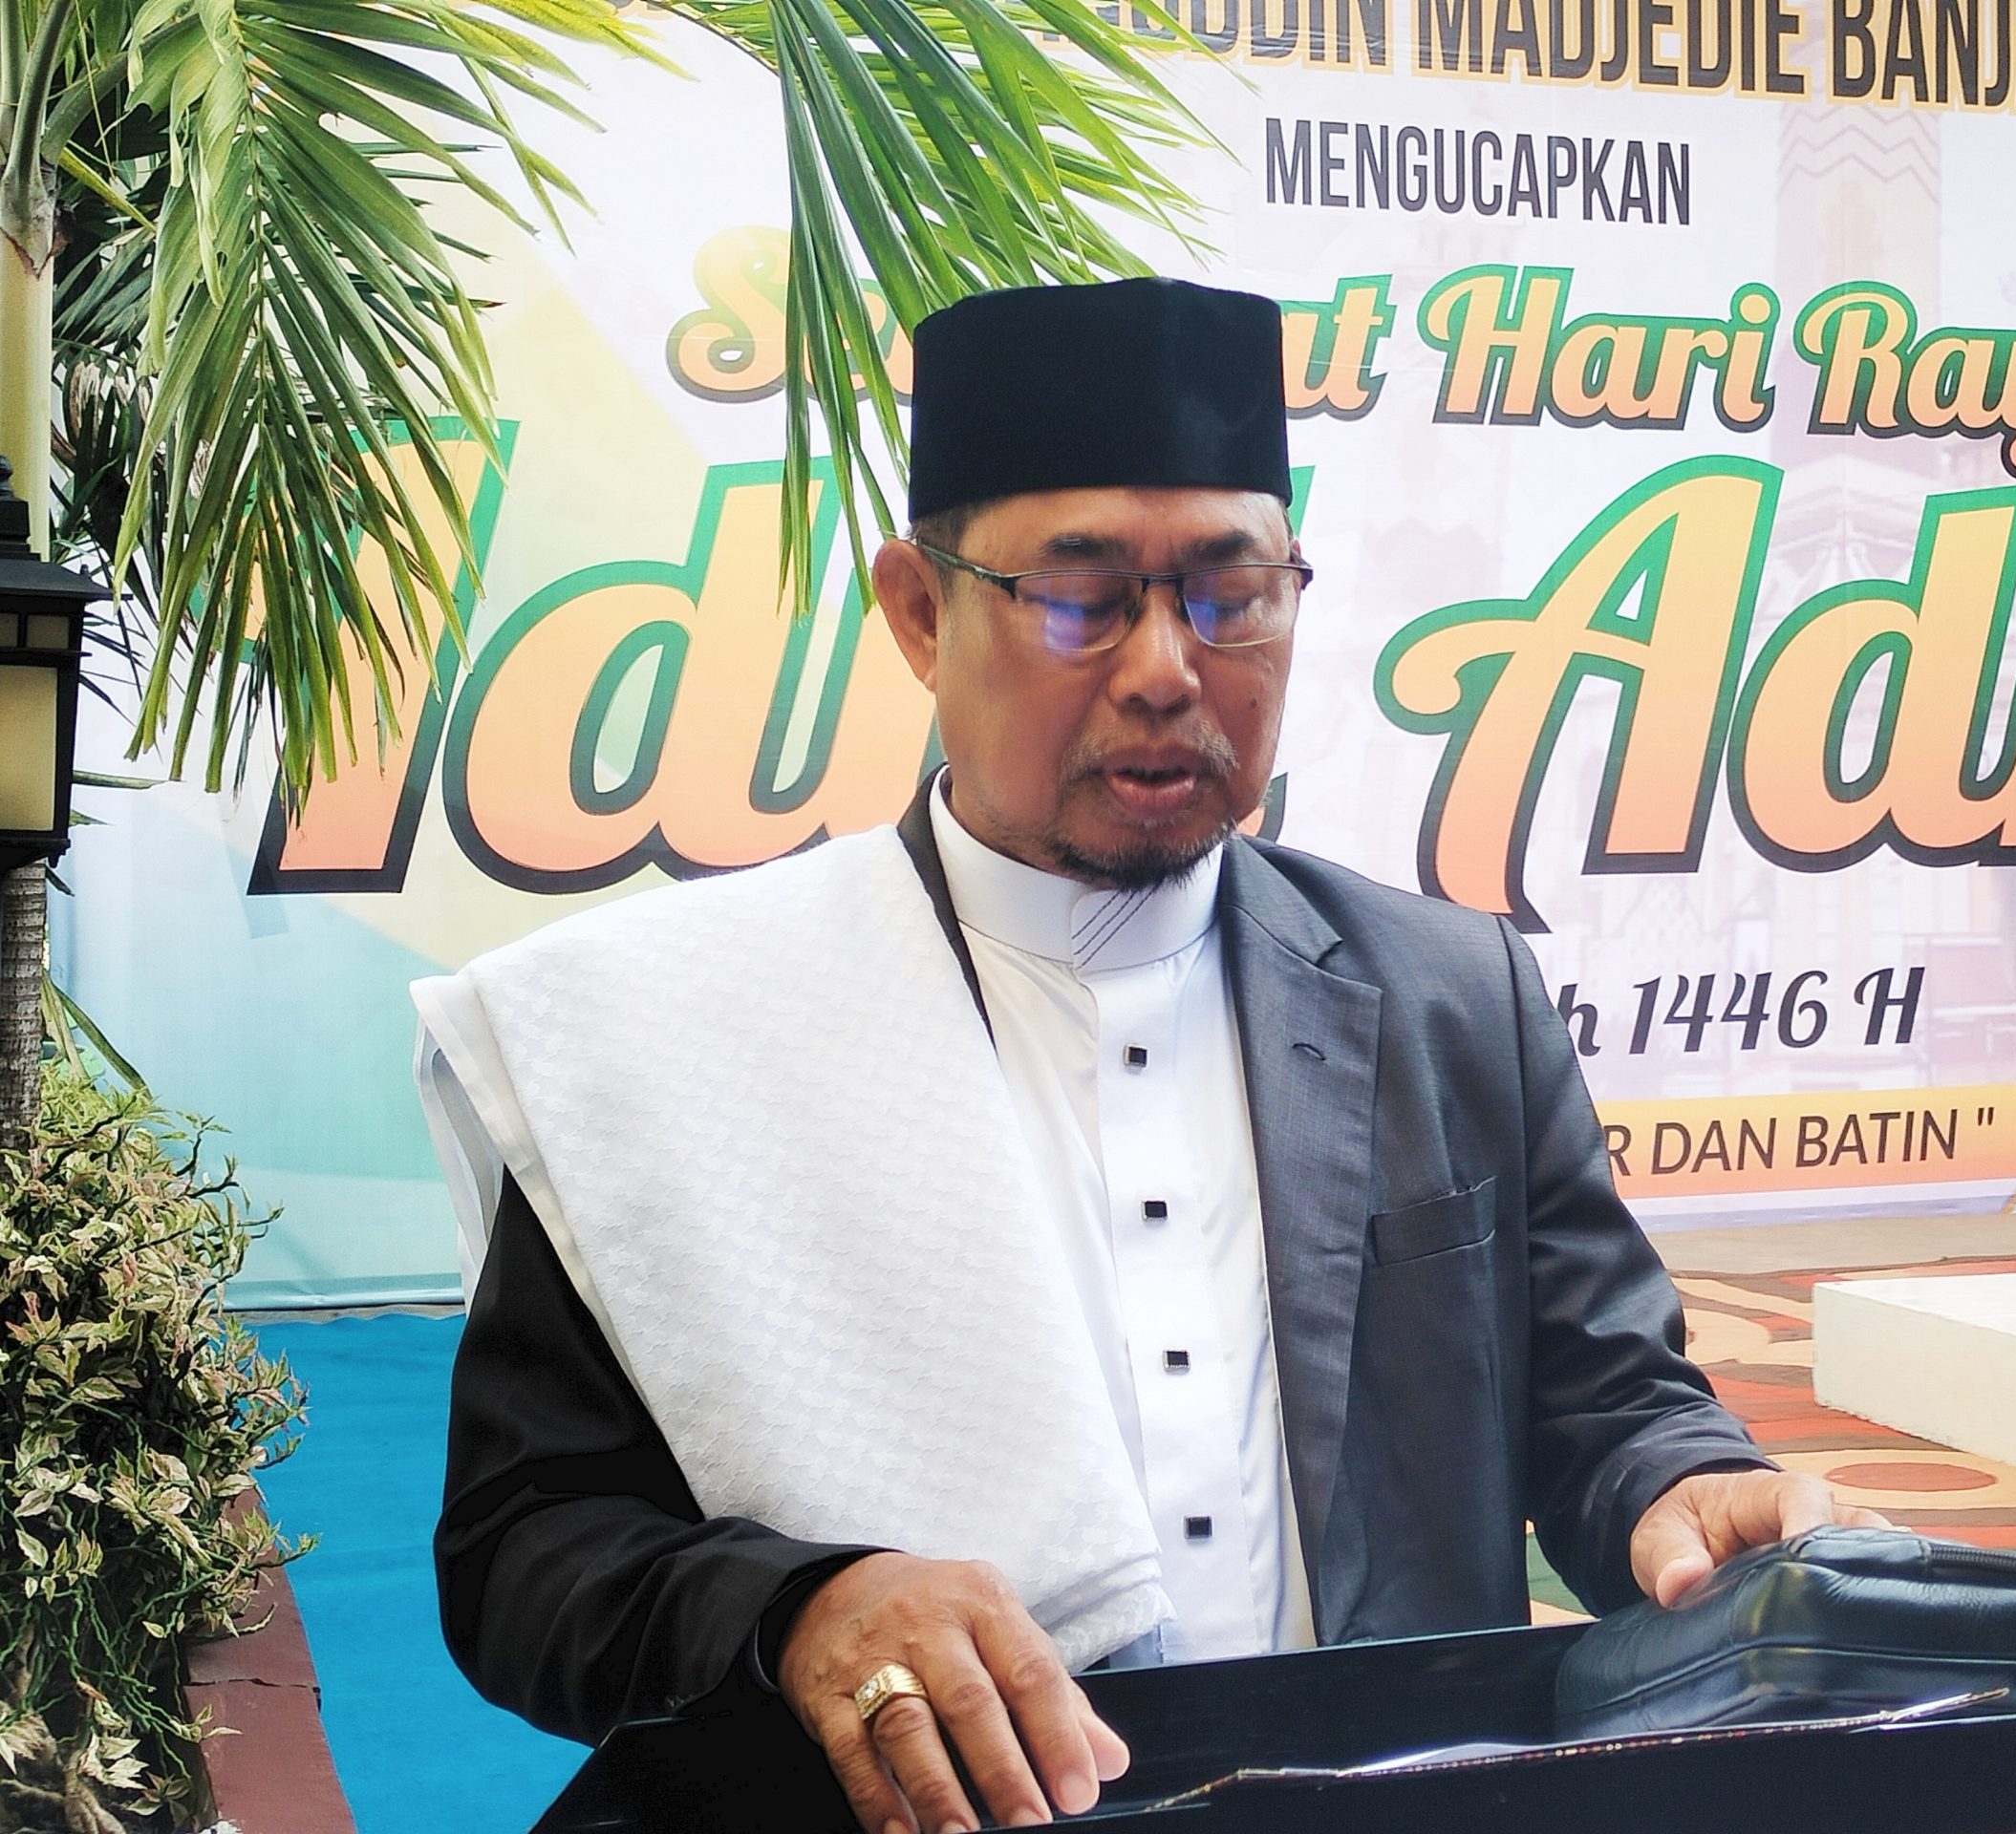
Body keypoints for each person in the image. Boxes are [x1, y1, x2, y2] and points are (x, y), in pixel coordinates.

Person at [420, 277, 1877, 1834]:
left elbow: (1605, 1400)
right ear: (919, 613)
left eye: (1230, 593)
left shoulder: (1450, 998)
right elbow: (526, 1551)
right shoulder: (682, 1028)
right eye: (1081, 597)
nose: (1169, 668)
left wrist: (1679, 1486)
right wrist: (801, 1610)